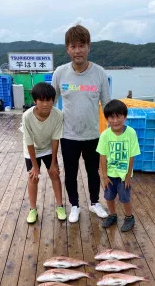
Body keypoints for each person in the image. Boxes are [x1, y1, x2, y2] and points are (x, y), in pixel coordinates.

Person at [52, 24, 111, 223]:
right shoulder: (60, 73)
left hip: (93, 134)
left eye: (82, 45)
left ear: (89, 47)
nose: (78, 50)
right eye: (73, 46)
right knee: (70, 172)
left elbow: (108, 105)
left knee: (93, 172)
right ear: (67, 49)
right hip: (68, 135)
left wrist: (113, 133)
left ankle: (95, 203)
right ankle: (74, 205)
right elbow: (49, 102)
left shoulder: (100, 73)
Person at [22, 82, 66, 224]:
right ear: (35, 101)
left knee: (54, 174)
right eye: (41, 100)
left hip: (48, 147)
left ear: (54, 100)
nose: (45, 104)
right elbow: (29, 142)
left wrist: (53, 163)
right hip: (32, 149)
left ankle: (60, 206)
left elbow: (55, 139)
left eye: (49, 100)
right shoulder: (27, 116)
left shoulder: (58, 115)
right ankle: (33, 209)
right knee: (33, 177)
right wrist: (35, 166)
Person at [96, 99, 140, 232]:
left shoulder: (131, 133)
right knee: (109, 197)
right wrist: (104, 176)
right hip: (109, 174)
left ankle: (129, 217)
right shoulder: (104, 135)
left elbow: (132, 155)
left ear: (125, 116)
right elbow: (102, 157)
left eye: (118, 116)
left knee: (125, 198)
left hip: (123, 175)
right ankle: (112, 215)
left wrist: (128, 176)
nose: (115, 121)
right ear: (106, 118)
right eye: (111, 117)